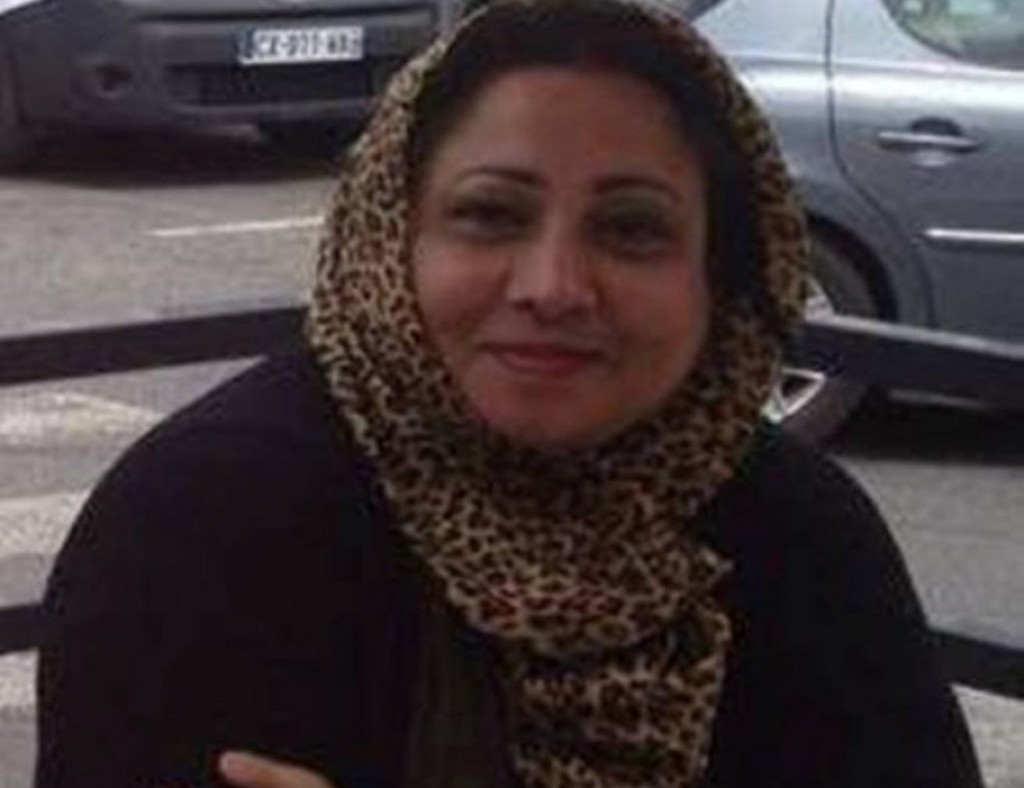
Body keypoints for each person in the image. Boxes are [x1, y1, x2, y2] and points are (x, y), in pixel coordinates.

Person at [34, 1, 983, 786]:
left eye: (632, 229)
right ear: (392, 238)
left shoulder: (799, 535)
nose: (554, 286)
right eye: (491, 214)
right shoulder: (217, 520)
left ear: (722, 276)